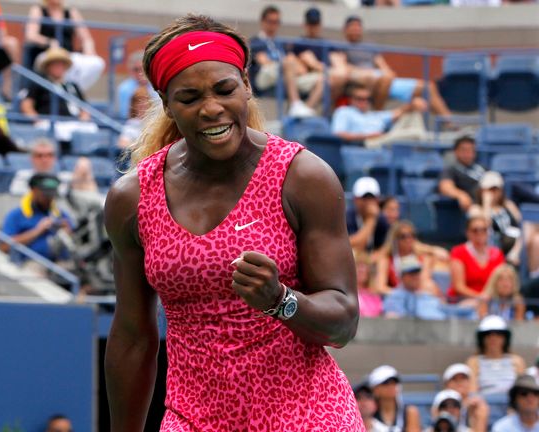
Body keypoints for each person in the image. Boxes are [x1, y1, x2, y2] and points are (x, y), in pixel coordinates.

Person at [104, 14, 361, 430]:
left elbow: (344, 322)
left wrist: (281, 300)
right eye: (189, 98)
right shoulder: (131, 198)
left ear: (245, 84)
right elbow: (133, 336)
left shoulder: (304, 177)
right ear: (167, 104)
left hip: (305, 415)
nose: (211, 108)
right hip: (191, 420)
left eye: (224, 89)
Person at [332, 16, 452, 117]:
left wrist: (386, 73)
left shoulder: (370, 47)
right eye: (352, 27)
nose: (356, 29)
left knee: (428, 86)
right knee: (385, 78)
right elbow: (342, 68)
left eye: (358, 26)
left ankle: (450, 123)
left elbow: (384, 67)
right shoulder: (339, 47)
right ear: (345, 30)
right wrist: (366, 73)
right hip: (361, 80)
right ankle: (375, 116)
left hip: (382, 79)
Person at [248, 5, 318, 117]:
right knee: (289, 62)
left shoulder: (282, 44)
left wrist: (290, 66)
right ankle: (295, 104)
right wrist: (288, 65)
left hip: (284, 74)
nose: (273, 25)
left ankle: (305, 109)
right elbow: (264, 62)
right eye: (270, 21)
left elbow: (300, 68)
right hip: (263, 76)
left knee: (322, 78)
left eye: (276, 21)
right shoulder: (256, 42)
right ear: (263, 21)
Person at [19, 47, 97, 144]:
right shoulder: (39, 83)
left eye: (61, 64)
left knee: (91, 128)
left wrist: (84, 118)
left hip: (73, 123)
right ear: (48, 66)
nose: (58, 67)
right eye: (55, 64)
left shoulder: (73, 86)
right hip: (49, 123)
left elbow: (84, 108)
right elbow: (26, 105)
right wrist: (37, 120)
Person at [24, 0, 106, 92]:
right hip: (46, 54)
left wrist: (89, 50)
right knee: (56, 65)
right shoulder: (38, 10)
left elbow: (86, 38)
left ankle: (72, 93)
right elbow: (31, 36)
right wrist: (49, 42)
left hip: (67, 55)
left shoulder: (71, 12)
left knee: (97, 63)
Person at [1, 173, 74, 269]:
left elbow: (76, 244)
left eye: (51, 196)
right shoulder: (16, 215)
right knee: (35, 272)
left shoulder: (60, 215)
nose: (49, 199)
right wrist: (38, 230)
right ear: (34, 191)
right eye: (45, 195)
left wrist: (68, 232)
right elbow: (5, 246)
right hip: (30, 263)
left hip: (59, 262)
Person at [284, 8, 349, 111]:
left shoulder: (328, 45)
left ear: (320, 24)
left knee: (329, 78)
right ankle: (296, 105)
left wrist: (314, 64)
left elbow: (340, 71)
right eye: (311, 23)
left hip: (324, 79)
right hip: (305, 79)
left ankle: (307, 110)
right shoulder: (298, 44)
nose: (313, 27)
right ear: (305, 24)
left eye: (316, 24)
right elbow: (294, 67)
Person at [473, 171, 539, 269]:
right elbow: (485, 227)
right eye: (489, 189)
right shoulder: (476, 209)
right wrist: (486, 203)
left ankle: (532, 272)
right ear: (482, 191)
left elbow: (520, 221)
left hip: (517, 239)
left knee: (533, 232)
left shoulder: (508, 204)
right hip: (497, 241)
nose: (493, 193)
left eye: (496, 189)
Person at [332, 83, 428, 149]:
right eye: (360, 98)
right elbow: (338, 134)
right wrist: (367, 136)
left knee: (413, 113)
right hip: (367, 143)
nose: (364, 102)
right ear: (351, 99)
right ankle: (428, 140)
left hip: (385, 138)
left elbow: (399, 112)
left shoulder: (373, 114)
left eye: (367, 99)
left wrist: (413, 104)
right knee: (416, 133)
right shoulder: (344, 111)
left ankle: (427, 139)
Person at [374, 220, 449, 296]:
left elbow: (422, 283)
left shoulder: (423, 258)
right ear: (395, 239)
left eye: (412, 235)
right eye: (403, 236)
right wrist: (401, 294)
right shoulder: (386, 260)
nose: (408, 239)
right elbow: (380, 287)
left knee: (429, 286)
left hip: (419, 295)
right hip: (397, 297)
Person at [448, 214, 505, 302]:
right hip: (463, 300)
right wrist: (479, 297)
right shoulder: (458, 252)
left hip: (489, 302)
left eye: (484, 230)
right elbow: (458, 286)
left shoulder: (497, 254)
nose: (480, 233)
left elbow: (501, 282)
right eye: (475, 230)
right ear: (468, 232)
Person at [466, 314, 525, 397]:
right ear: (482, 338)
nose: (493, 338)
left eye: (498, 334)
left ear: (505, 338)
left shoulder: (517, 361)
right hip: (484, 405)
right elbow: (472, 391)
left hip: (510, 407)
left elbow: (522, 391)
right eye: (488, 334)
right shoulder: (473, 362)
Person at [383, 255, 447, 320]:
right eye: (411, 273)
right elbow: (392, 321)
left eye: (417, 272)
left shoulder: (427, 297)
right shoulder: (395, 297)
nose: (415, 276)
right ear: (402, 276)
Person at [368, 365, 422, 431]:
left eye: (394, 382)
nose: (391, 386)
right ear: (375, 389)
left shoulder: (410, 412)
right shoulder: (367, 414)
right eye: (386, 383)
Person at [438, 136, 485, 212]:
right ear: (456, 152)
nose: (468, 154)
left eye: (471, 150)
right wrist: (461, 195)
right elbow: (445, 187)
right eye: (464, 150)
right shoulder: (451, 169)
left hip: (491, 206)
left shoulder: (482, 168)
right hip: (473, 208)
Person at [441, 363, 489, 432]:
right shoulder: (440, 401)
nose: (459, 382)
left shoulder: (478, 403)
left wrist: (472, 414)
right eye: (454, 379)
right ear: (446, 384)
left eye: (463, 378)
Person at [347, 176, 390, 252]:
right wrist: (371, 219)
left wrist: (370, 259)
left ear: (377, 200)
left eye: (371, 197)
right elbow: (354, 247)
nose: (368, 202)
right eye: (364, 197)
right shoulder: (347, 217)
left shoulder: (382, 219)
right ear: (355, 199)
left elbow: (387, 247)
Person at [116, 50, 157, 119]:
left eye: (143, 69)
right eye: (136, 69)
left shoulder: (158, 86)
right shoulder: (124, 89)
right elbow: (124, 114)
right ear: (130, 71)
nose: (140, 73)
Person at [117, 86, 151, 151]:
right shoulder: (130, 124)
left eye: (145, 101)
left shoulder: (155, 123)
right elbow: (122, 144)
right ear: (133, 105)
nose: (142, 105)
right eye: (139, 102)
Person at [355, 252, 383, 318]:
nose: (361, 269)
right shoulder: (348, 293)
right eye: (358, 265)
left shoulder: (375, 295)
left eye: (364, 266)